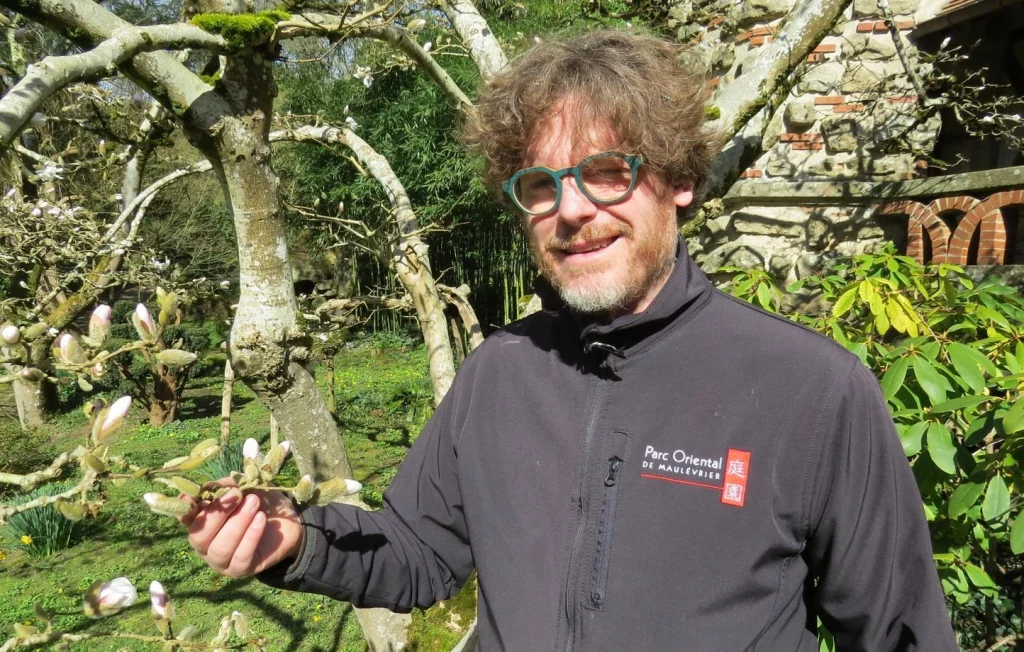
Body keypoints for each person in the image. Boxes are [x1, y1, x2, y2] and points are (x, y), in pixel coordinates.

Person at [180, 30, 958, 651]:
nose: (573, 210)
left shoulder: (811, 389)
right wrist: (293, 542)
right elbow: (419, 552)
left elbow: (897, 633)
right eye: (542, 185)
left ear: (680, 179)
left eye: (608, 171)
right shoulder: (501, 373)